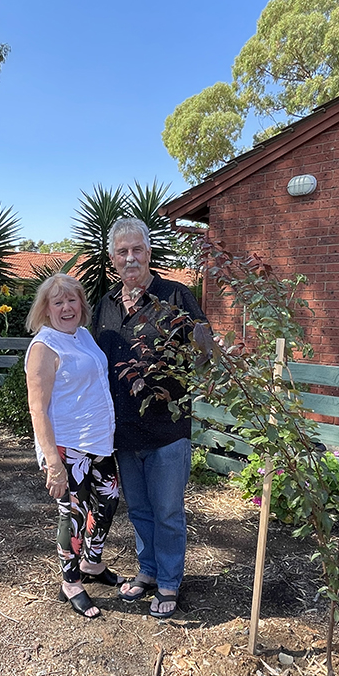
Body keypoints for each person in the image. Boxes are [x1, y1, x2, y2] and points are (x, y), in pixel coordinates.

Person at [93, 218, 210, 619]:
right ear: (112, 259)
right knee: (140, 510)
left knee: (168, 511)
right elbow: (94, 362)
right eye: (121, 252)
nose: (130, 258)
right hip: (123, 431)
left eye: (136, 250)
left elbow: (204, 347)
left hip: (167, 430)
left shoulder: (175, 295)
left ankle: (170, 582)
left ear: (149, 252)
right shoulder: (106, 304)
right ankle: (148, 570)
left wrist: (209, 344)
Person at [25, 274, 120, 619]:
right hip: (68, 445)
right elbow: (37, 408)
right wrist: (53, 461)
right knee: (74, 515)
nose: (67, 307)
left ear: (81, 304)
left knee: (108, 503)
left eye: (72, 300)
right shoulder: (44, 347)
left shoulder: (83, 337)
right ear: (47, 310)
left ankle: (92, 564)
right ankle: (71, 582)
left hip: (98, 439)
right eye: (58, 302)